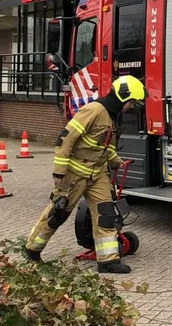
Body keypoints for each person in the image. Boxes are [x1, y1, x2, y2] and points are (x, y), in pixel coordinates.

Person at [25, 75, 145, 274]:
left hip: (97, 175)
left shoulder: (112, 117)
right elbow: (66, 138)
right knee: (58, 213)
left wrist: (116, 161)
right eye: (131, 102)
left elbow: (103, 145)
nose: (131, 107)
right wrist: (59, 171)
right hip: (75, 174)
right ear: (123, 97)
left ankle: (108, 261)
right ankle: (32, 250)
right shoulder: (93, 110)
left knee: (106, 215)